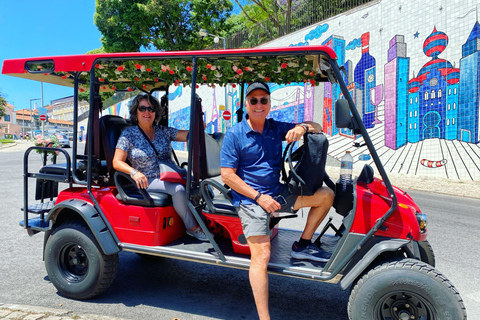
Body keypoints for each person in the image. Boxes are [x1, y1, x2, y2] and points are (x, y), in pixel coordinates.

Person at [220, 81, 334, 320]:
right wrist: (260, 198)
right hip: (251, 200)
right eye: (254, 101)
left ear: (269, 104)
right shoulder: (235, 134)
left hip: (277, 193)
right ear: (246, 104)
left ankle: (303, 245)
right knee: (261, 255)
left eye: (264, 100)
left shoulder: (274, 127)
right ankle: (264, 318)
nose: (259, 105)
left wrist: (302, 128)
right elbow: (227, 176)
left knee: (326, 195)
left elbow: (317, 126)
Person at [113, 93, 209, 241]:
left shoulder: (162, 131)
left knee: (201, 185)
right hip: (146, 179)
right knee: (178, 189)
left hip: (169, 174)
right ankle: (192, 227)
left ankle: (207, 221)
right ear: (135, 112)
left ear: (155, 113)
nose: (147, 112)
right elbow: (117, 162)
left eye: (151, 109)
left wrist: (198, 127)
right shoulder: (128, 135)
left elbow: (187, 135)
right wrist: (134, 172)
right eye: (142, 108)